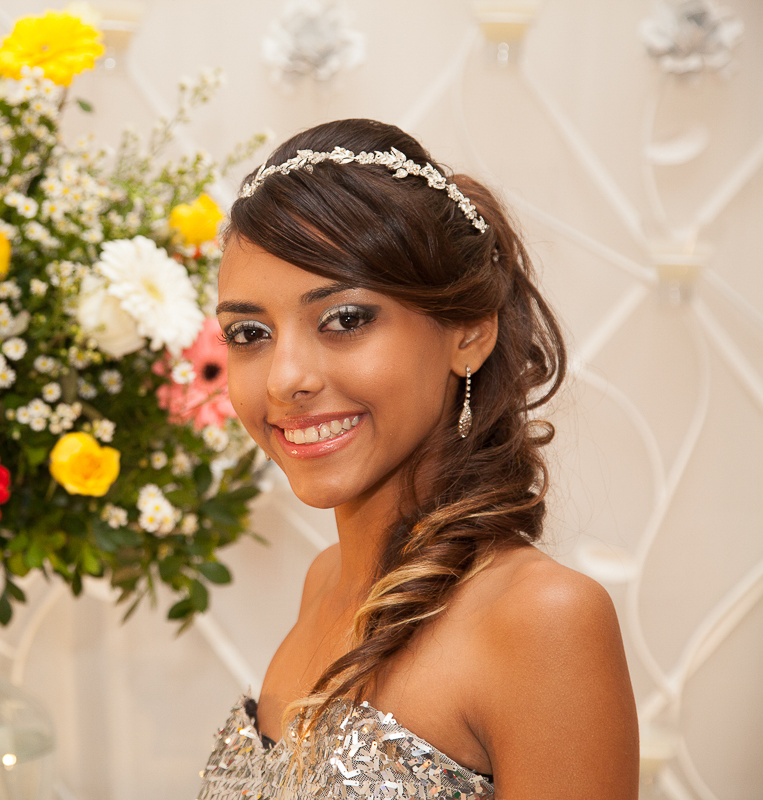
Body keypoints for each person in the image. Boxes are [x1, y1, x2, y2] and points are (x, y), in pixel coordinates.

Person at [198, 119, 638, 799]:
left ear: (469, 332)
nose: (285, 378)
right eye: (249, 333)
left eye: (344, 320)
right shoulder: (326, 582)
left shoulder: (543, 617)